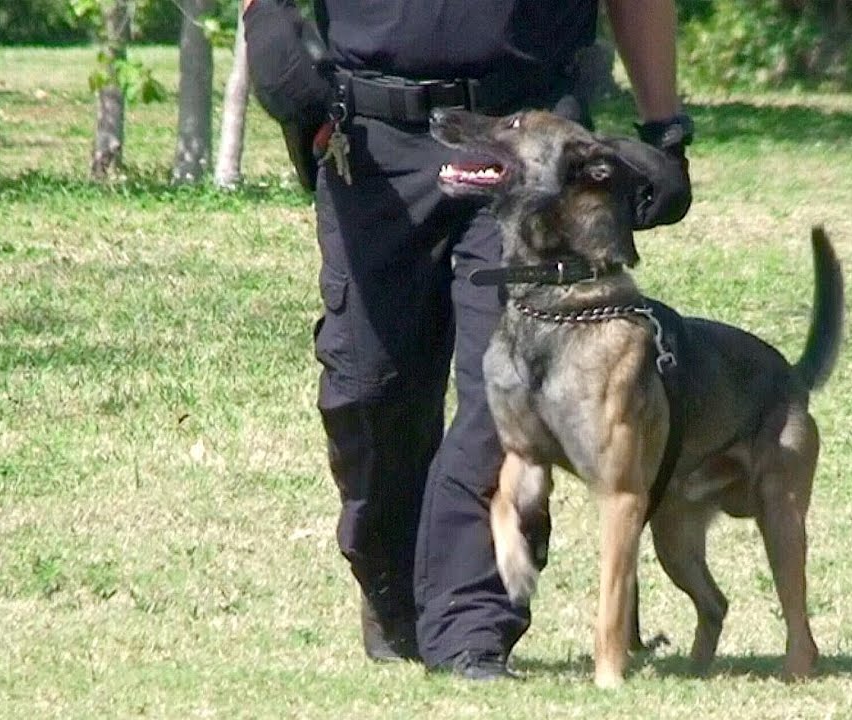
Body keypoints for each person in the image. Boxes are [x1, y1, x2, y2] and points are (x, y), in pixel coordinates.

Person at [241, 0, 694, 680]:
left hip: (530, 143)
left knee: (503, 396)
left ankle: (470, 628)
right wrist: (266, 21)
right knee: (371, 391)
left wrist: (665, 127)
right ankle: (395, 584)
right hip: (372, 139)